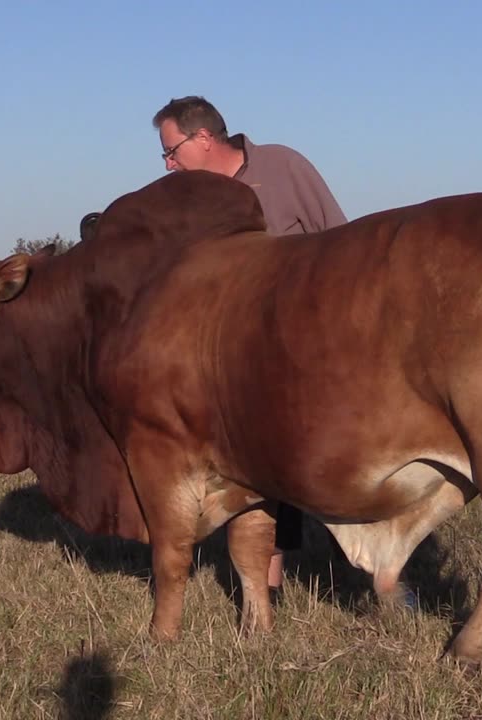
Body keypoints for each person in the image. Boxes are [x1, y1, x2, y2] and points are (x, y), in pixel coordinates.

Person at [152, 95, 349, 601]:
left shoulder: (283, 166)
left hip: (312, 347)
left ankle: (390, 576)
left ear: (203, 138)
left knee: (348, 462)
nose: (169, 164)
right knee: (259, 468)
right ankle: (270, 587)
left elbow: (342, 240)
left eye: (171, 151)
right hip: (232, 360)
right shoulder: (187, 200)